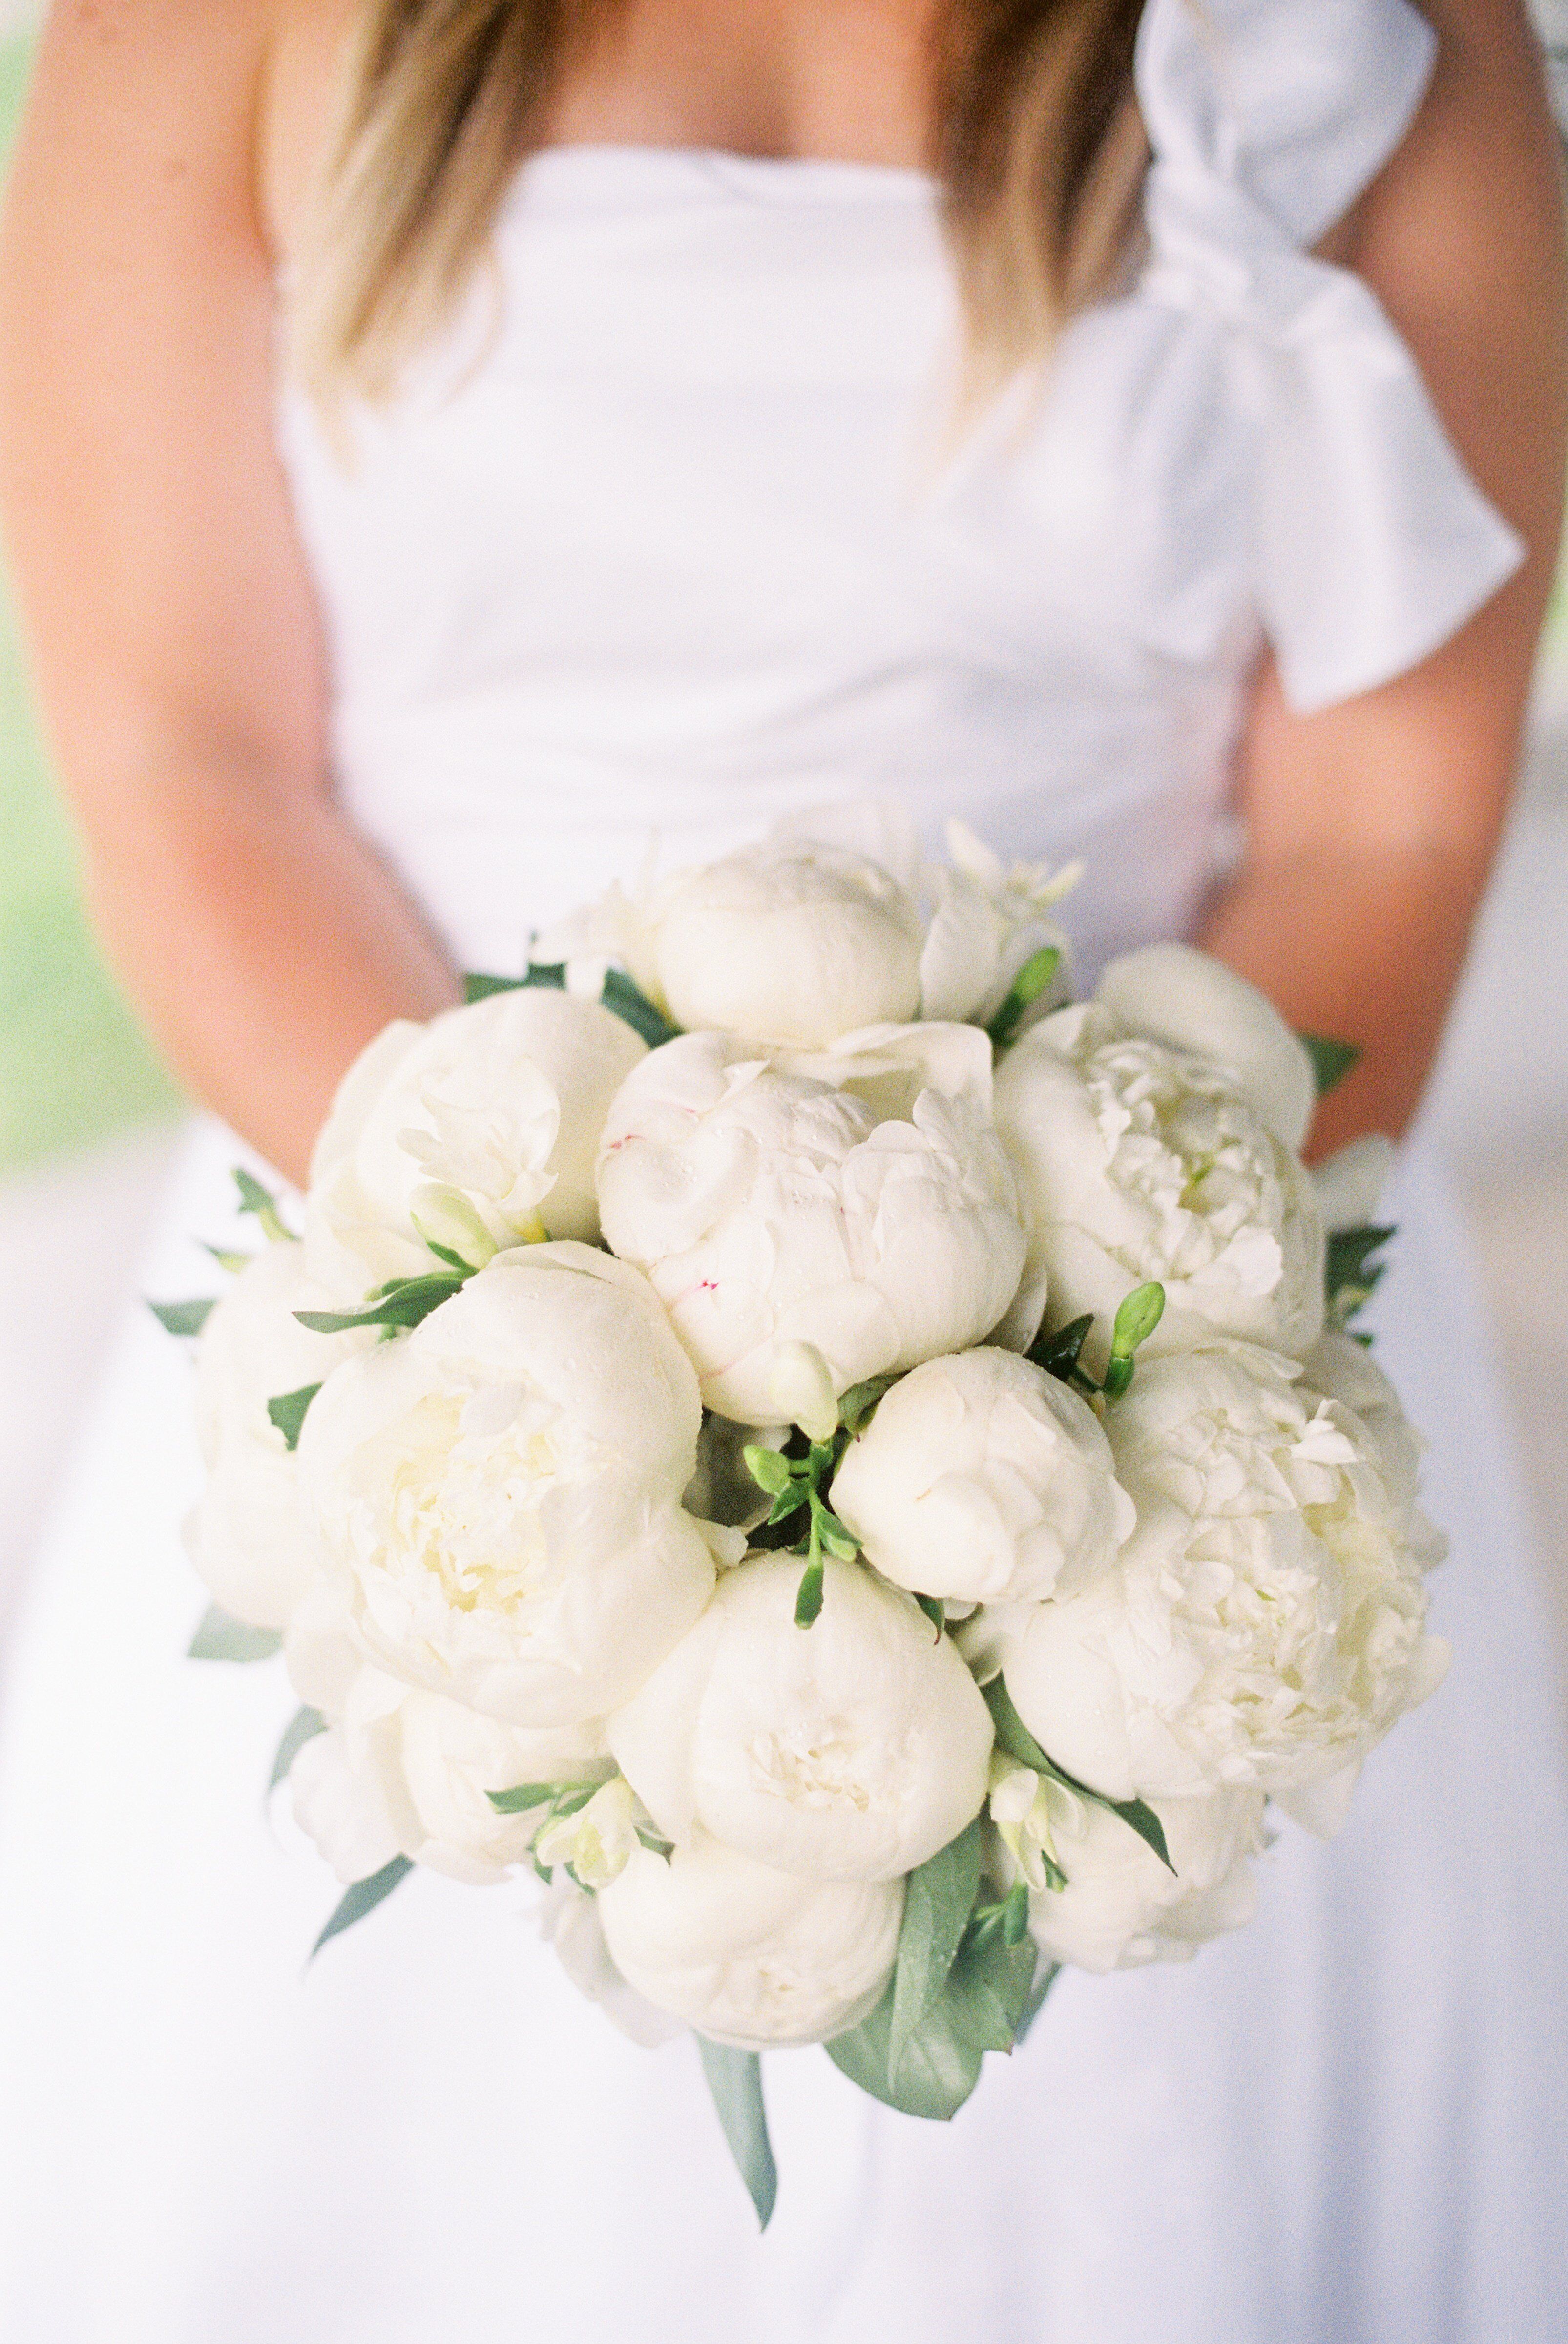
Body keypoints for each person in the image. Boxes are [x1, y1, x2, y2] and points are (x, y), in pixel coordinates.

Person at [0, 0, 1564, 2336]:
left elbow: (1390, 815)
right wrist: (564, 1341)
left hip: (1166, 1369)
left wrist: (1035, 1418)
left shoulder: (1379, 46)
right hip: (431, 1362)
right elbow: (191, 761)